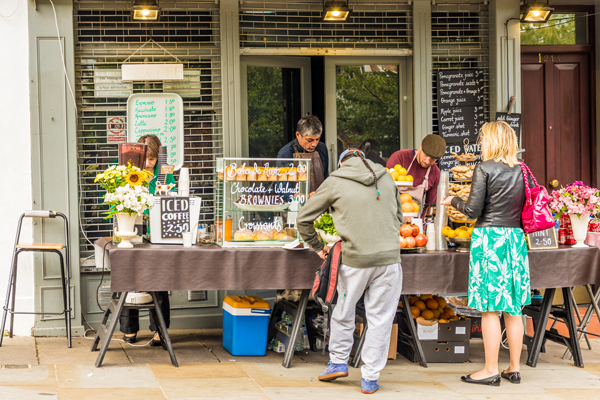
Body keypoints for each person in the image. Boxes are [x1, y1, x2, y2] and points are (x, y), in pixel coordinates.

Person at [297, 148, 403, 394]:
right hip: (389, 260)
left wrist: (318, 246)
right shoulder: (386, 176)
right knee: (381, 319)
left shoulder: (335, 180)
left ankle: (338, 362)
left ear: (342, 163)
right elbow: (398, 218)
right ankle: (370, 378)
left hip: (354, 259)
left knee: (343, 311)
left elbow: (303, 218)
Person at [440, 121, 530, 386]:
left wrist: (452, 201)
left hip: (490, 240)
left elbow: (472, 211)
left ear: (491, 141)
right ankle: (514, 368)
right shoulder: (523, 169)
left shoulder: (484, 168)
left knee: (490, 308)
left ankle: (490, 369)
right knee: (513, 307)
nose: (480, 143)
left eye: (483, 139)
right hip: (515, 240)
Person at [120, 134, 176, 346]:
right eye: (146, 158)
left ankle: (159, 331)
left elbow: (172, 198)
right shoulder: (129, 173)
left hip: (157, 232)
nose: (148, 163)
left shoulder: (164, 174)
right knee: (129, 278)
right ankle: (129, 329)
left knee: (159, 281)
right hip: (132, 231)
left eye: (152, 159)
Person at [386, 134, 446, 221]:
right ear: (421, 145)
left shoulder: (435, 173)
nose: (427, 161)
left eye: (433, 159)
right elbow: (386, 192)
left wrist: (422, 227)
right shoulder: (399, 158)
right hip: (391, 220)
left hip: (414, 226)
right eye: (426, 155)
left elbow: (430, 207)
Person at [277, 115, 329, 193]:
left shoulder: (322, 148)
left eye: (317, 139)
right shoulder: (285, 154)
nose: (314, 144)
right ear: (298, 135)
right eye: (309, 140)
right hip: (295, 202)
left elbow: (326, 178)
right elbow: (282, 189)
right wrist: (305, 197)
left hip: (320, 200)